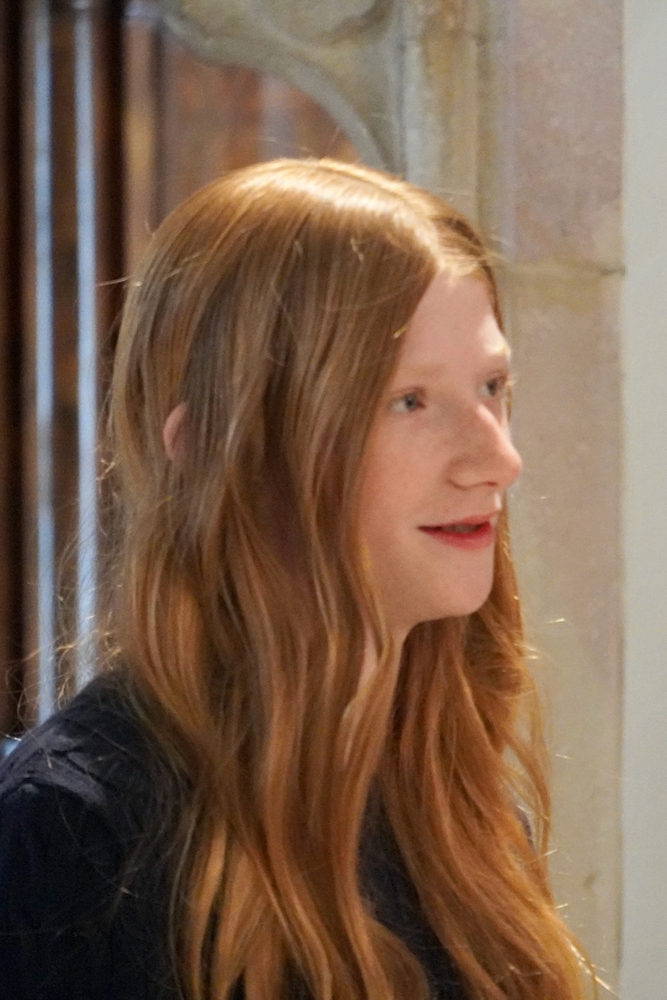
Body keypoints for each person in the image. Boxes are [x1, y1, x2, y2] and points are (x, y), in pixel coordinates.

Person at [0, 158, 595, 1000]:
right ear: (220, 452)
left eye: (491, 386)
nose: (497, 458)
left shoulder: (461, 811)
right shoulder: (73, 833)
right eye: (407, 401)